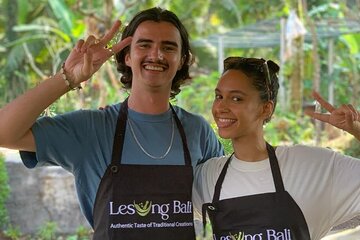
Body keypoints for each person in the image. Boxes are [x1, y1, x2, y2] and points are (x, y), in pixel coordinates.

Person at [0, 7, 223, 239]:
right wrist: (68, 77)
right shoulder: (90, 129)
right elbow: (4, 133)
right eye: (144, 45)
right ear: (127, 55)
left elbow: (228, 200)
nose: (156, 55)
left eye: (168, 47)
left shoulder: (197, 131)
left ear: (181, 60)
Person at [193, 56, 360, 240]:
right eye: (219, 96)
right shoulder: (209, 176)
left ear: (266, 109)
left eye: (236, 98)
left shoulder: (310, 166)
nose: (221, 107)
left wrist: (356, 130)